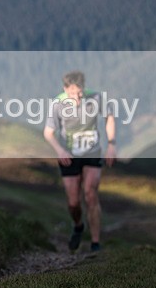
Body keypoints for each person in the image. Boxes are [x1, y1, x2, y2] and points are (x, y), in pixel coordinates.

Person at [43, 71, 116, 253]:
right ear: (65, 89)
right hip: (69, 155)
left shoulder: (96, 97)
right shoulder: (58, 104)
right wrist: (60, 150)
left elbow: (109, 118)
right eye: (72, 93)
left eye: (79, 93)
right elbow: (48, 132)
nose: (76, 97)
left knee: (91, 193)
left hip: (92, 152)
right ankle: (78, 225)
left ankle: (95, 243)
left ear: (84, 87)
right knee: (73, 202)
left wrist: (111, 144)